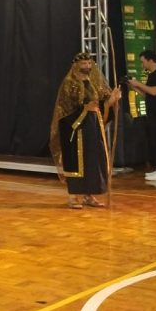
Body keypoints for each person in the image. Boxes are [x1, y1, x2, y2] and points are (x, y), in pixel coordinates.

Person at [50, 51, 122, 208]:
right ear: (76, 65)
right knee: (76, 162)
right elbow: (64, 109)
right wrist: (84, 109)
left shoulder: (93, 82)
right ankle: (73, 197)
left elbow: (99, 105)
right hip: (76, 130)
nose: (87, 66)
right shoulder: (69, 83)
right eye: (83, 63)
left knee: (92, 160)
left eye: (89, 63)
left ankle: (89, 195)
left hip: (92, 127)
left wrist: (111, 100)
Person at [128, 49, 156, 181]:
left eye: (143, 62)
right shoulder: (152, 75)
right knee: (154, 142)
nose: (142, 65)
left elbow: (154, 91)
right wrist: (134, 87)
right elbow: (147, 95)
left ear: (150, 60)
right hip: (153, 113)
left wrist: (138, 83)